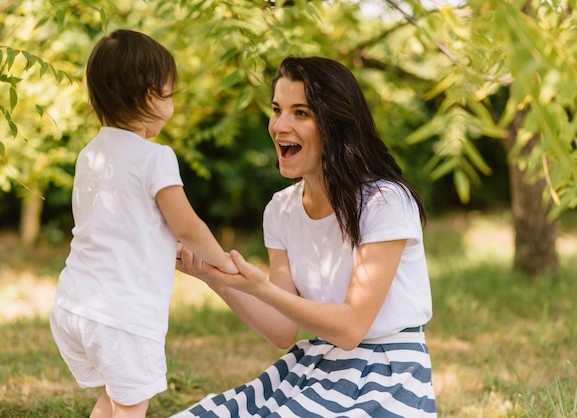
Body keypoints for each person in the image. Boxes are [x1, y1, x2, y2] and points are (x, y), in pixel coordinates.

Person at [172, 56, 437, 417]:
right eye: (277, 109)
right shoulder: (280, 210)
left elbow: (350, 329)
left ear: (335, 124)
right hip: (316, 363)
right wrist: (214, 277)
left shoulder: (384, 201)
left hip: (389, 372)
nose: (280, 126)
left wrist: (259, 287)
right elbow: (282, 330)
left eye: (301, 113)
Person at [49, 29, 238, 418]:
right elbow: (186, 225)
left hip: (75, 305)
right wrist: (223, 262)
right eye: (168, 95)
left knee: (114, 399)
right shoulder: (156, 158)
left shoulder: (90, 154)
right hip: (123, 317)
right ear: (148, 95)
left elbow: (119, 224)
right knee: (133, 406)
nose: (170, 104)